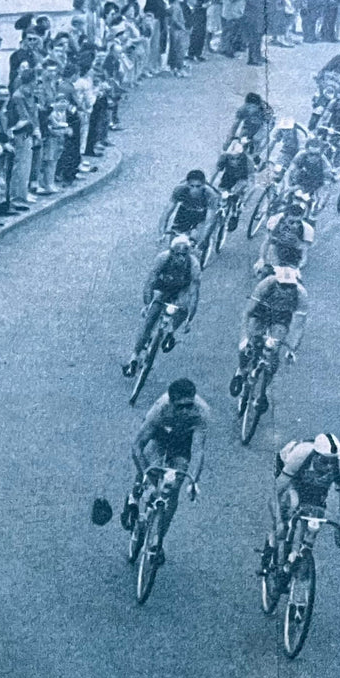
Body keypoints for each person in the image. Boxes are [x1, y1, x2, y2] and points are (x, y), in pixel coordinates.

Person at [123, 379, 209, 554]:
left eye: (188, 406)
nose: (185, 411)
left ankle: (157, 540)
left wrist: (194, 481)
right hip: (160, 437)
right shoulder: (159, 409)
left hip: (181, 443)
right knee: (150, 468)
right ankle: (133, 497)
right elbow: (137, 446)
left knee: (173, 490)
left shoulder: (201, 412)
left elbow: (198, 450)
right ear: (171, 403)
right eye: (180, 407)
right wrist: (145, 473)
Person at [267, 433, 340, 557]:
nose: (329, 466)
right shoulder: (300, 455)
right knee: (292, 503)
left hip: (315, 484)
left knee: (316, 513)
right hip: (289, 469)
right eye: (324, 461)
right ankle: (272, 543)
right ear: (315, 455)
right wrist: (278, 522)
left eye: (332, 461)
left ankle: (302, 553)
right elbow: (275, 494)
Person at [232, 265, 309, 408]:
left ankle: (264, 388)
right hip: (262, 310)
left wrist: (292, 350)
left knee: (274, 349)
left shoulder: (301, 294)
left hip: (282, 317)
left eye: (290, 286)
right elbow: (247, 313)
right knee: (251, 341)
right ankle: (242, 369)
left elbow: (298, 326)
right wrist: (244, 338)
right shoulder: (266, 284)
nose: (286, 289)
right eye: (283, 285)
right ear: (276, 281)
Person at [126, 235, 200, 376]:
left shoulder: (194, 265)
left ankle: (170, 332)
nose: (182, 258)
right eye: (178, 255)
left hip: (182, 290)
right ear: (172, 252)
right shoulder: (162, 258)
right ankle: (134, 356)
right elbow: (150, 282)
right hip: (165, 287)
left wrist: (189, 319)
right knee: (149, 320)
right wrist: (147, 304)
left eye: (185, 255)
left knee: (182, 309)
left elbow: (194, 293)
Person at [160, 168, 219, 243]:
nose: (195, 190)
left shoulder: (211, 195)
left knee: (195, 238)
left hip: (202, 214)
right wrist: (162, 232)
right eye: (192, 186)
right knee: (174, 240)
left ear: (204, 185)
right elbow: (167, 212)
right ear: (187, 184)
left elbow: (209, 221)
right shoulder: (179, 189)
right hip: (185, 211)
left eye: (198, 186)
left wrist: (204, 239)